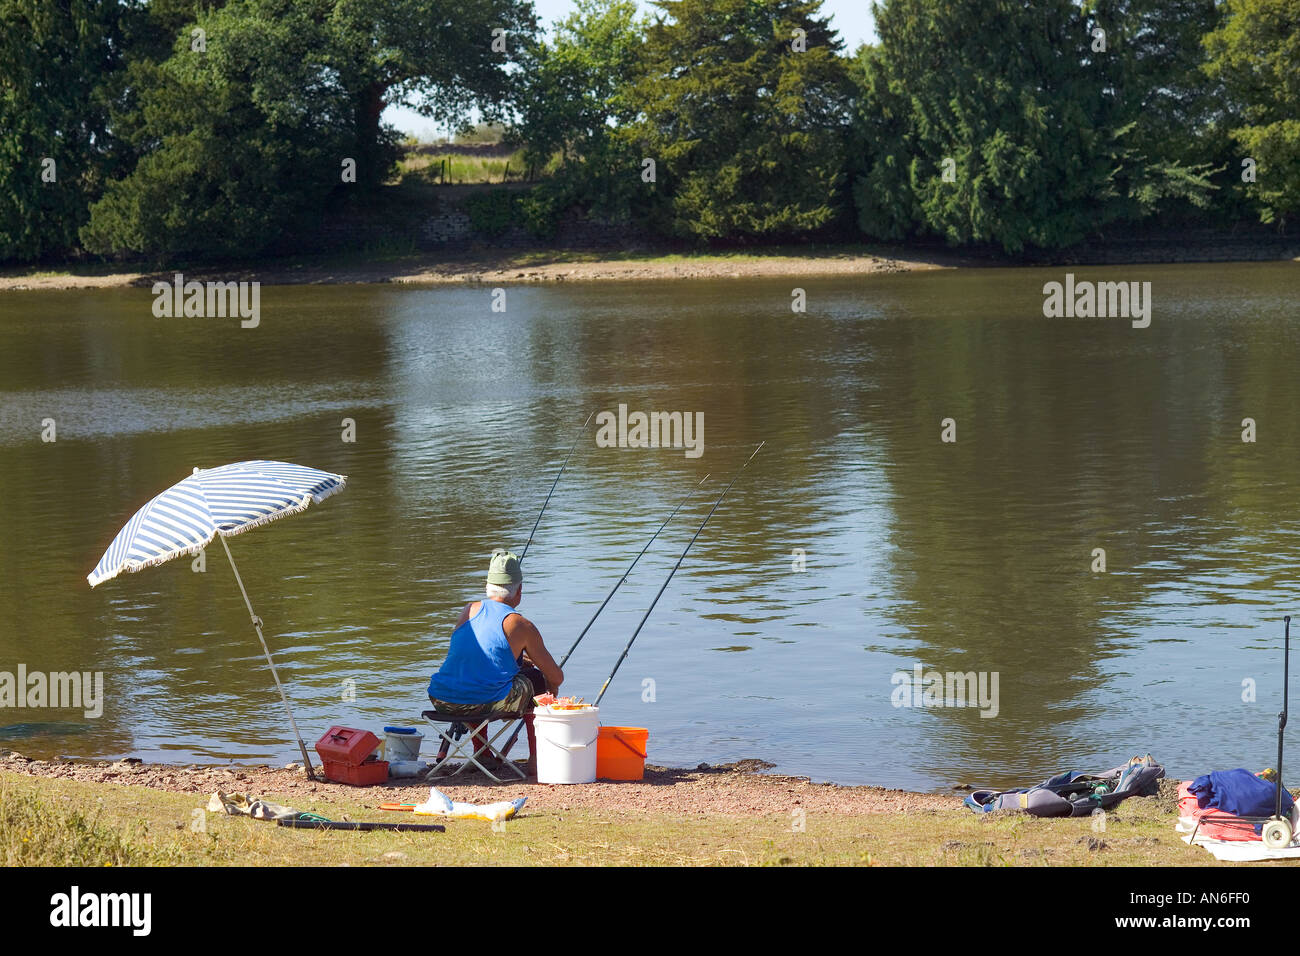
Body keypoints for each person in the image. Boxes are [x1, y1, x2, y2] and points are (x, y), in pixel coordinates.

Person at [427, 549, 563, 775]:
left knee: (475, 679)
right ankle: (537, 758)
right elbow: (556, 676)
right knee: (538, 680)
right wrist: (551, 688)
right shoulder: (520, 624)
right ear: (519, 591)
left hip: (442, 700)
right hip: (483, 704)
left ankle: (482, 753)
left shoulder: (469, 610)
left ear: (487, 586)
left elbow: (476, 657)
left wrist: (515, 660)